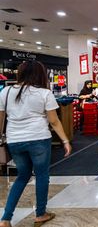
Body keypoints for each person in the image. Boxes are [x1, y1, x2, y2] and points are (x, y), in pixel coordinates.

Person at [0, 61, 72, 227]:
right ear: (40, 74)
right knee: (41, 175)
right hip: (39, 138)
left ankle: (5, 218)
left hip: (14, 140)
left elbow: (1, 119)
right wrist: (65, 141)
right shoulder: (44, 93)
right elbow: (53, 121)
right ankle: (40, 214)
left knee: (22, 176)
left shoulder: (6, 92)